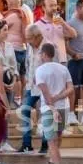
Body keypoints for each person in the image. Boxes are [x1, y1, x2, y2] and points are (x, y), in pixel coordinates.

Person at [33, 43, 73, 164]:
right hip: (64, 106)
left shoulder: (40, 70)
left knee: (51, 141)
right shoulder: (63, 68)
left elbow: (45, 93)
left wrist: (53, 106)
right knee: (58, 136)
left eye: (40, 53)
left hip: (49, 109)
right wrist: (59, 97)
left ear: (44, 54)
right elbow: (70, 88)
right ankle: (52, 160)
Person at [17, 25, 47, 155]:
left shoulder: (47, 47)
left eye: (29, 38)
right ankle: (26, 144)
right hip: (31, 86)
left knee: (45, 113)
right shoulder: (30, 47)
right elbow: (28, 65)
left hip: (45, 87)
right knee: (25, 110)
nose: (27, 41)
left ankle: (45, 144)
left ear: (37, 36)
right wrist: (27, 84)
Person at [36, 0, 76, 70]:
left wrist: (63, 23)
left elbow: (73, 35)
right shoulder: (37, 25)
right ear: (43, 8)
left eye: (55, 5)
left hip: (61, 60)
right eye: (51, 6)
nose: (54, 8)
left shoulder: (61, 23)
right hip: (46, 62)